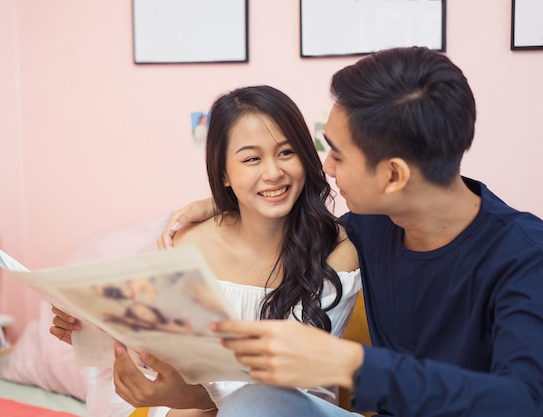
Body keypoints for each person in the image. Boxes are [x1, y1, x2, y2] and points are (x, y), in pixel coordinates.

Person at [158, 46, 543, 417]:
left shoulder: (524, 256)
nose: (325, 167)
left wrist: (352, 363)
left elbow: (525, 401)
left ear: (394, 175)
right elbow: (299, 224)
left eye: (338, 154)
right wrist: (224, 204)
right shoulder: (372, 226)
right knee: (253, 404)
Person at [51, 85, 362, 416]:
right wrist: (100, 334)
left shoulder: (337, 250)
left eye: (286, 153)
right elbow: (162, 347)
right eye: (252, 159)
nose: (273, 173)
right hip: (188, 403)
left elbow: (299, 384)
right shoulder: (190, 244)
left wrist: (194, 398)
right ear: (225, 173)